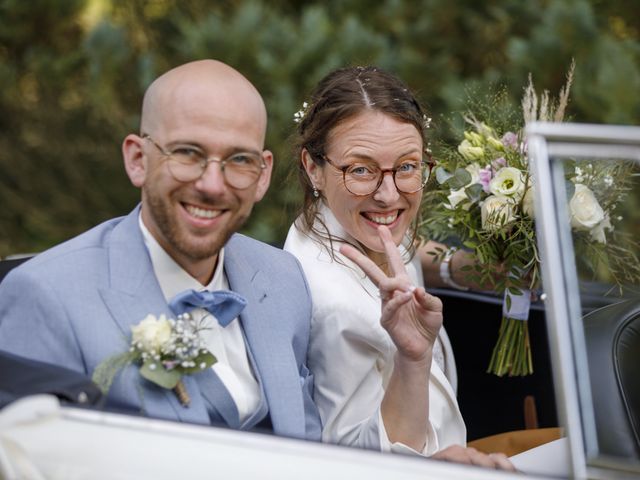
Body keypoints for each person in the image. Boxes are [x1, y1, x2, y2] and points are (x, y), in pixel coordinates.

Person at [0, 59, 321, 441]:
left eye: (239, 159)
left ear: (262, 175)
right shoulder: (45, 297)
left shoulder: (283, 277)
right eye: (187, 153)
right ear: (138, 159)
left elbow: (309, 441)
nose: (213, 185)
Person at [284, 65, 513, 470]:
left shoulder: (342, 220)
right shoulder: (335, 308)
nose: (389, 196)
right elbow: (356, 463)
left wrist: (468, 268)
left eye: (407, 167)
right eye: (361, 170)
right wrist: (412, 359)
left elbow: (406, 244)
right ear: (312, 167)